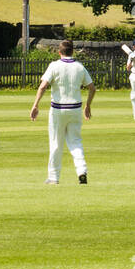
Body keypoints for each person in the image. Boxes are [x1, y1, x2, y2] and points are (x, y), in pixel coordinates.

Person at [30, 40, 95, 185]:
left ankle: (53, 177)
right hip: (75, 109)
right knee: (75, 141)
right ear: (72, 51)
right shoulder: (79, 67)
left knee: (56, 143)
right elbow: (92, 88)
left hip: (58, 110)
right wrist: (88, 105)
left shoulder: (54, 66)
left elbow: (43, 86)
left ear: (59, 52)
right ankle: (81, 170)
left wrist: (35, 105)